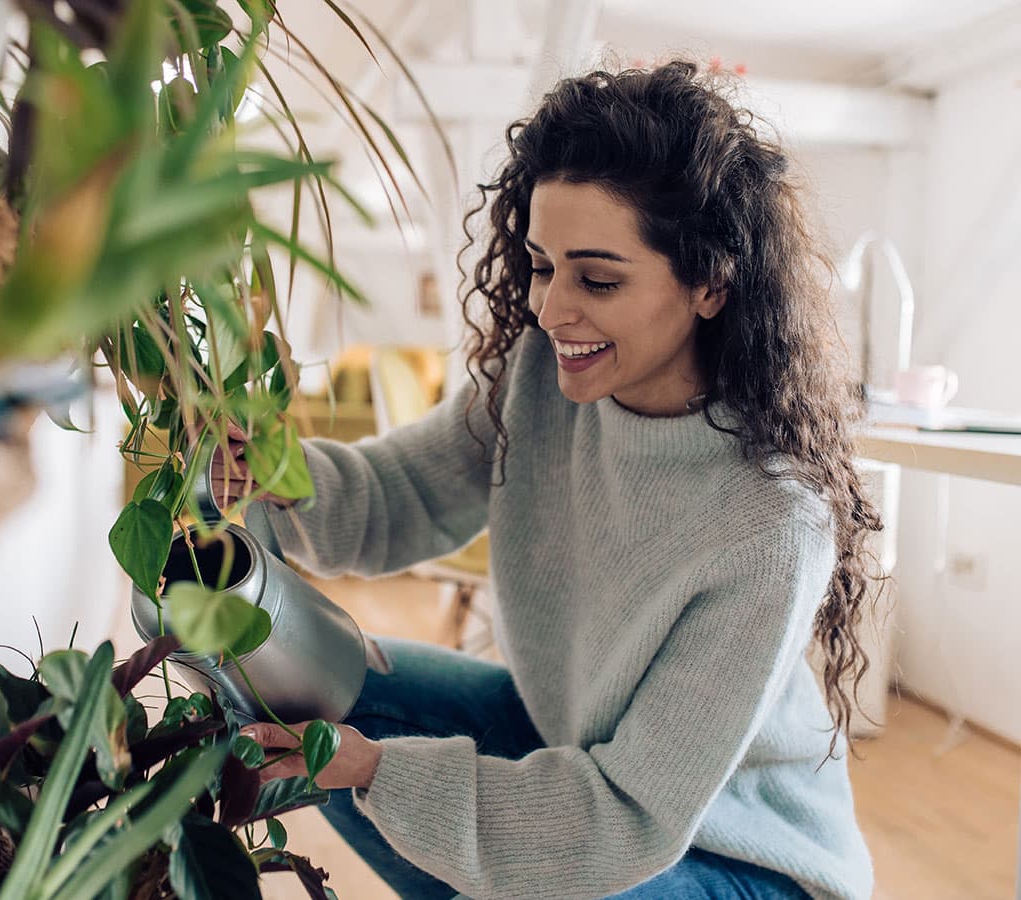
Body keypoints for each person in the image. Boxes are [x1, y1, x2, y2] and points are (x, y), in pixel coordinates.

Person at [224, 60, 879, 900]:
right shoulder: (538, 375)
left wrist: (380, 774)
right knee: (298, 684)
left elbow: (626, 819)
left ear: (711, 283)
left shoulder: (771, 524)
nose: (549, 308)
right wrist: (273, 472)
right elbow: (403, 497)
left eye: (597, 279)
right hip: (572, 746)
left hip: (738, 854)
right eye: (541, 265)